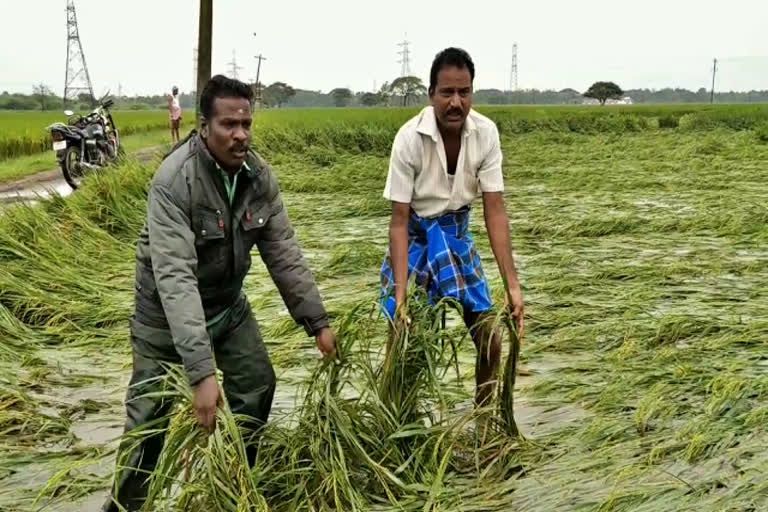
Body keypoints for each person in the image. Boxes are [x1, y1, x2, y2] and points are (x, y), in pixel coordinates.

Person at [102, 75, 336, 511]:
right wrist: (201, 373)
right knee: (147, 429)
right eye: (229, 124)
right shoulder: (174, 182)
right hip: (164, 321)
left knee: (257, 383)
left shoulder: (257, 177)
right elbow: (175, 279)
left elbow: (283, 251)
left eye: (246, 123)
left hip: (227, 307)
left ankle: (233, 482)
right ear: (204, 126)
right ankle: (125, 506)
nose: (241, 134)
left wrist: (317, 321)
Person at [380, 47, 524, 409]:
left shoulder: (486, 133)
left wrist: (512, 285)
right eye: (447, 93)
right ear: (432, 95)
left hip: (457, 238)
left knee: (490, 338)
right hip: (416, 238)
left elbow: (495, 210)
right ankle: (397, 418)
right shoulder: (409, 138)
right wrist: (399, 298)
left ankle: (485, 419)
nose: (456, 102)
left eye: (464, 92)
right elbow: (398, 222)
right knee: (404, 340)